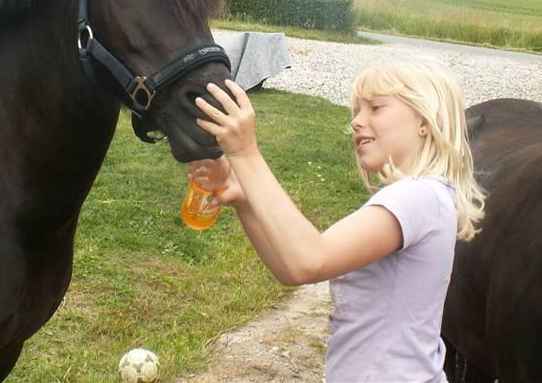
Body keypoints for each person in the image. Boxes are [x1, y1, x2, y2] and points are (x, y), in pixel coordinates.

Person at [190, 60, 485, 383]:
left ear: (424, 121)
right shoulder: (425, 197)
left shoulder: (416, 198)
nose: (357, 122)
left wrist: (245, 154)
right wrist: (246, 201)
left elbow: (310, 259)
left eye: (375, 108)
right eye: (357, 111)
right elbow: (292, 270)